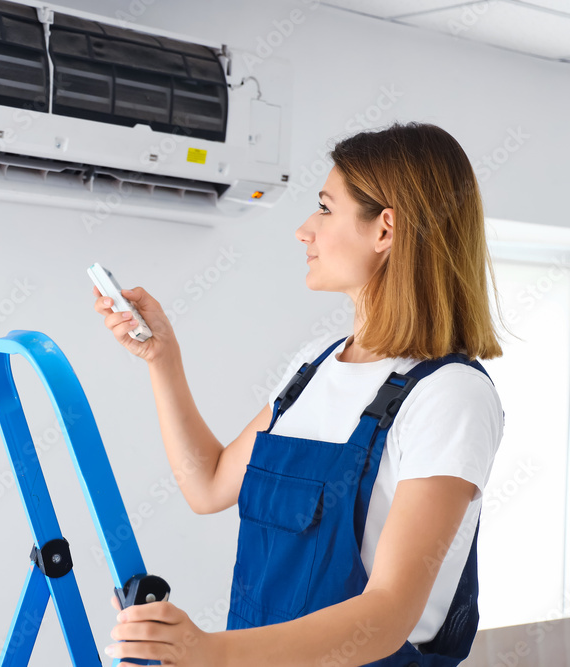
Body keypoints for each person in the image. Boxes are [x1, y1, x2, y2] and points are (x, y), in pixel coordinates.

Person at [91, 121, 505, 667]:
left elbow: (385, 617)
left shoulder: (450, 394)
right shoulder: (312, 367)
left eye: (326, 208)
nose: (304, 230)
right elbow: (209, 485)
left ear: (385, 230)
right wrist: (162, 360)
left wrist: (209, 651)